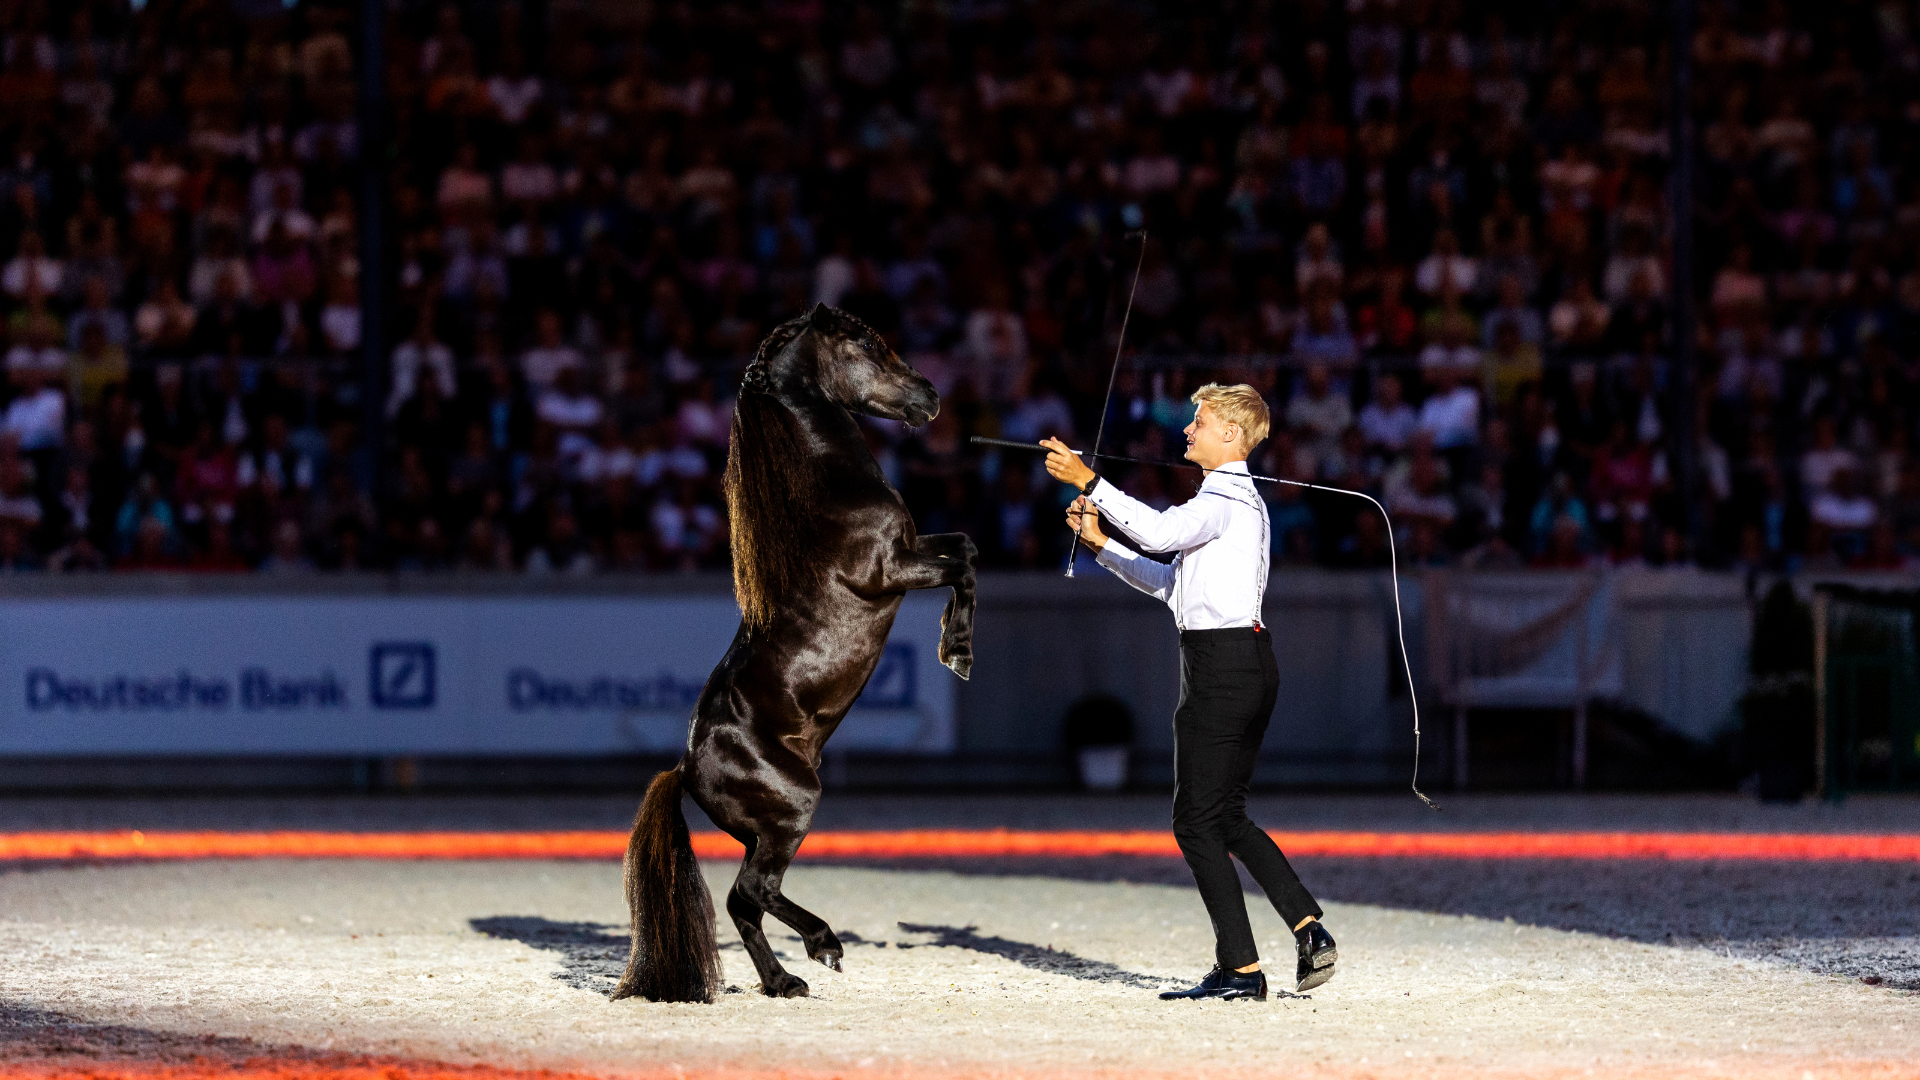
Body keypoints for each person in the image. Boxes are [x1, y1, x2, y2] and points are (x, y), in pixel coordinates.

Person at [1041, 383, 1336, 1001]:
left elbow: (1160, 531)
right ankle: (1308, 928)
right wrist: (1100, 545)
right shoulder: (1233, 503)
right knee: (1224, 816)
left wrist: (1090, 483)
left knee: (1194, 822)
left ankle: (1242, 969)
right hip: (1246, 662)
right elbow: (1167, 581)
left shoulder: (1222, 498)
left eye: (1198, 422)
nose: (1187, 430)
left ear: (1231, 434)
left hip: (1222, 668)